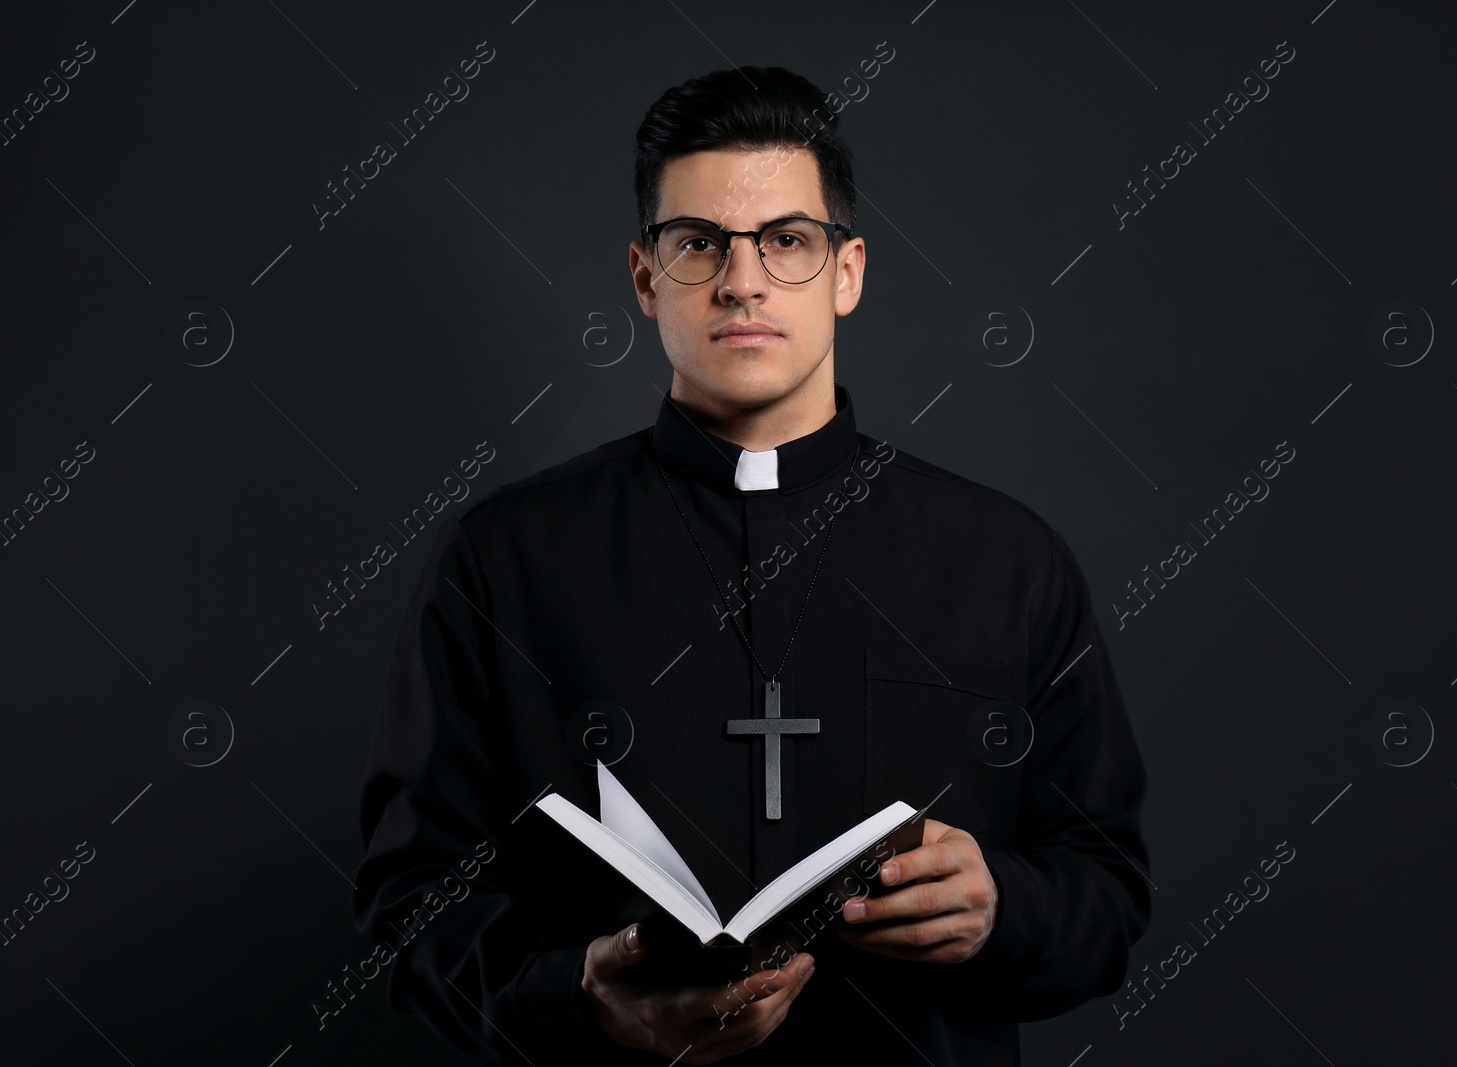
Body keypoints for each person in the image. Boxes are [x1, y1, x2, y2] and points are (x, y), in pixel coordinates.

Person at [353, 65, 1152, 1065]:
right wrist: (583, 995)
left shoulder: (1004, 557)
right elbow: (412, 898)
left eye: (786, 239)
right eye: (698, 245)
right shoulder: (507, 557)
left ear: (847, 271)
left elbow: (1108, 893)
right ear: (647, 278)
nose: (742, 280)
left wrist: (1005, 908)